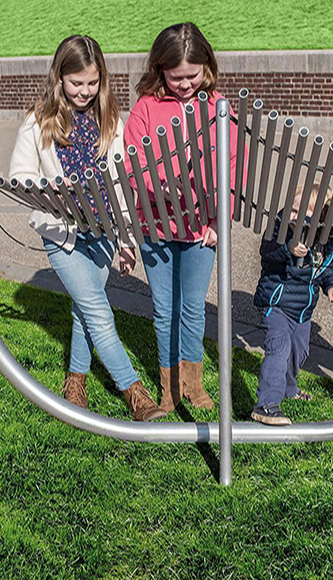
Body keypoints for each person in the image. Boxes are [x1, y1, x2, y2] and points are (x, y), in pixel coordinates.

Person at [9, 35, 165, 421]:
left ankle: (75, 381)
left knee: (85, 306)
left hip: (104, 231)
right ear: (59, 78)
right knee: (98, 309)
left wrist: (126, 240)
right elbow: (19, 176)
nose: (85, 91)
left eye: (93, 82)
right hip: (61, 234)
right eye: (76, 83)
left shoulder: (110, 120)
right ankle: (135, 392)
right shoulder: (38, 120)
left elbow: (122, 185)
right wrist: (52, 187)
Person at [124, 22, 239, 413]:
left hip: (201, 230)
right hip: (155, 226)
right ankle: (169, 387)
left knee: (192, 307)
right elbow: (134, 162)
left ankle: (192, 382)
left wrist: (219, 220)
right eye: (176, 77)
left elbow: (231, 167)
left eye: (193, 75)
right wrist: (165, 188)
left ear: (207, 67)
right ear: (160, 70)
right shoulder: (146, 107)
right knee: (164, 310)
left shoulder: (219, 107)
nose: (186, 84)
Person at [251, 185, 333, 425]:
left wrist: (332, 286)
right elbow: (267, 251)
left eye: (301, 212)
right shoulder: (280, 227)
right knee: (279, 349)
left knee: (298, 351)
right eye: (293, 208)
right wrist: (288, 248)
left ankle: (288, 388)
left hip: (302, 310)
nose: (293, 215)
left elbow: (326, 268)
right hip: (277, 305)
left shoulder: (323, 242)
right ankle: (266, 405)